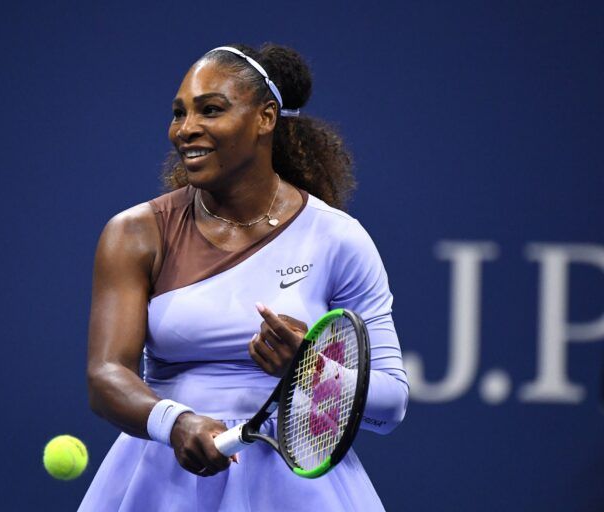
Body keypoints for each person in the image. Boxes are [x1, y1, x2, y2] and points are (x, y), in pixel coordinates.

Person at [79, 43, 408, 511]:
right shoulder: (134, 233)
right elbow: (106, 375)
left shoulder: (339, 239)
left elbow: (390, 404)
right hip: (164, 477)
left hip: (297, 488)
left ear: (265, 118)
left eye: (211, 110)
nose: (186, 129)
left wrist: (310, 368)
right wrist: (175, 422)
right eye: (179, 113)